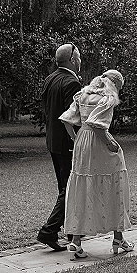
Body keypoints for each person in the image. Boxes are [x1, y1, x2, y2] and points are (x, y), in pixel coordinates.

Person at [60, 70, 134, 258]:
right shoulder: (108, 98)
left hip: (82, 143)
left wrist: (76, 138)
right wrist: (110, 143)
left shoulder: (83, 94)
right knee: (114, 182)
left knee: (83, 188)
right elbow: (97, 124)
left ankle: (76, 241)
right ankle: (118, 237)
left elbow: (67, 120)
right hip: (98, 142)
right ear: (115, 85)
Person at [37, 44, 82, 251]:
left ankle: (71, 230)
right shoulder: (71, 82)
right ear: (72, 59)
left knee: (64, 186)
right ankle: (49, 231)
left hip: (53, 141)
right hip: (67, 143)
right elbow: (72, 117)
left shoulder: (50, 79)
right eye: (79, 56)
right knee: (69, 188)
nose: (81, 61)